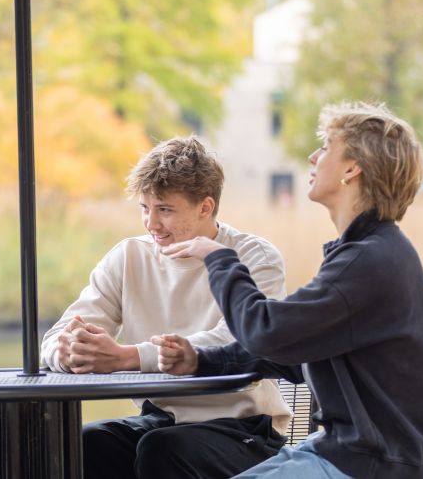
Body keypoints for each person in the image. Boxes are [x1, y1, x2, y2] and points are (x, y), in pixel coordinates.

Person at [154, 102, 423, 478]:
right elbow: (295, 349)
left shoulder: (371, 260)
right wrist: (202, 360)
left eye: (326, 146)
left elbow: (267, 331)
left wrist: (219, 258)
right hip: (347, 454)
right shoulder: (371, 252)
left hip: (368, 466)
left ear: (352, 168)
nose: (313, 156)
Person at [39, 136, 293, 479]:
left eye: (165, 210)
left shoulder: (254, 257)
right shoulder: (128, 257)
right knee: (86, 444)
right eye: (145, 208)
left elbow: (238, 342)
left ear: (205, 207)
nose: (151, 223)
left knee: (161, 449)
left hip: (243, 428)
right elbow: (60, 333)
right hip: (162, 419)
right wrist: (68, 351)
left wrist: (126, 356)